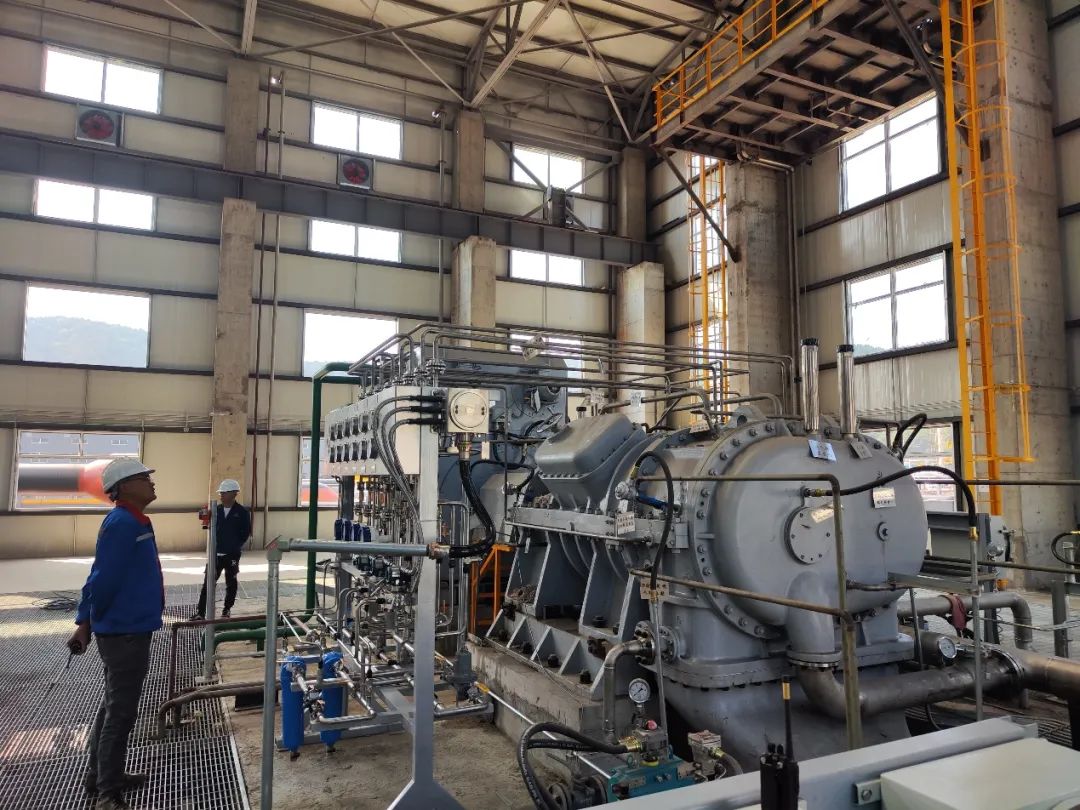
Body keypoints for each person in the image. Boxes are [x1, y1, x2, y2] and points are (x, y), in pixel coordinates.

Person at [67, 458, 164, 810]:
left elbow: (105, 575)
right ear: (123, 488)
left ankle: (100, 776)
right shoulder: (122, 523)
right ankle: (108, 794)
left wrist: (87, 621)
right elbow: (101, 578)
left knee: (112, 707)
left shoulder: (134, 521)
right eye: (143, 478)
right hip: (124, 632)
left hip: (130, 627)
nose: (151, 482)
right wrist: (85, 621)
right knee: (121, 713)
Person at [193, 479, 250, 620]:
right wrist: (203, 516)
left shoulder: (242, 512)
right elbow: (205, 523)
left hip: (232, 555)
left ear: (234, 493)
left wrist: (234, 545)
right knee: (208, 583)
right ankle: (201, 613)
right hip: (215, 554)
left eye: (224, 493)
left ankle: (226, 609)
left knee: (231, 583)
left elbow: (245, 533)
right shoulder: (215, 510)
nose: (221, 495)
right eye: (221, 493)